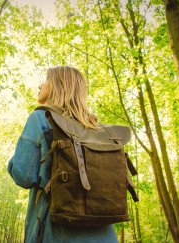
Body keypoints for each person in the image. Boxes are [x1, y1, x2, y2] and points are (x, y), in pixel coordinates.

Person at [7, 66, 119, 243]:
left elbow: (23, 175)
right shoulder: (97, 129)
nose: (40, 85)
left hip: (59, 232)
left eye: (45, 80)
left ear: (57, 86)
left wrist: (13, 162)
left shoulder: (41, 118)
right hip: (105, 234)